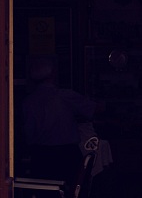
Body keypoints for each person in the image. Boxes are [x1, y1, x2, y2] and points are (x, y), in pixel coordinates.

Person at [20, 55, 100, 183]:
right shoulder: (65, 96)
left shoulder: (28, 102)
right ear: (53, 75)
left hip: (40, 156)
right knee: (75, 190)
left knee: (45, 192)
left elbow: (28, 132)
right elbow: (94, 109)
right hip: (66, 155)